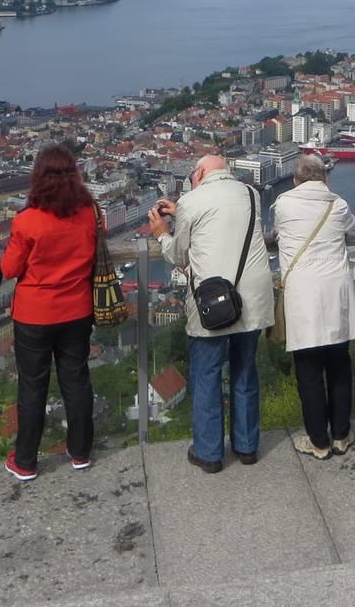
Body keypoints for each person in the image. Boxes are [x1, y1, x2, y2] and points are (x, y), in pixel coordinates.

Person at [148, 155, 273, 473]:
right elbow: (223, 218)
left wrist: (163, 231)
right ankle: (247, 447)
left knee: (207, 375)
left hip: (214, 301)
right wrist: (184, 210)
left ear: (200, 173)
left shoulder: (192, 199)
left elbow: (178, 253)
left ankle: (209, 452)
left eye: (192, 177)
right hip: (254, 297)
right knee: (245, 370)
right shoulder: (251, 193)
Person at [0, 144, 97, 481]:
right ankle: (81, 451)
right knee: (76, 380)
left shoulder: (27, 221)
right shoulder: (89, 213)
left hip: (35, 315)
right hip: (77, 309)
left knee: (32, 387)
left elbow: (10, 268)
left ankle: (26, 460)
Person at [270, 154, 355, 460]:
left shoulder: (283, 204)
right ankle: (340, 435)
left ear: (296, 179)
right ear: (325, 178)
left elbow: (278, 234)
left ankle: (318, 442)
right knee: (339, 367)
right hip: (335, 292)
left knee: (308, 371)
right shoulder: (338, 204)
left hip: (302, 294)